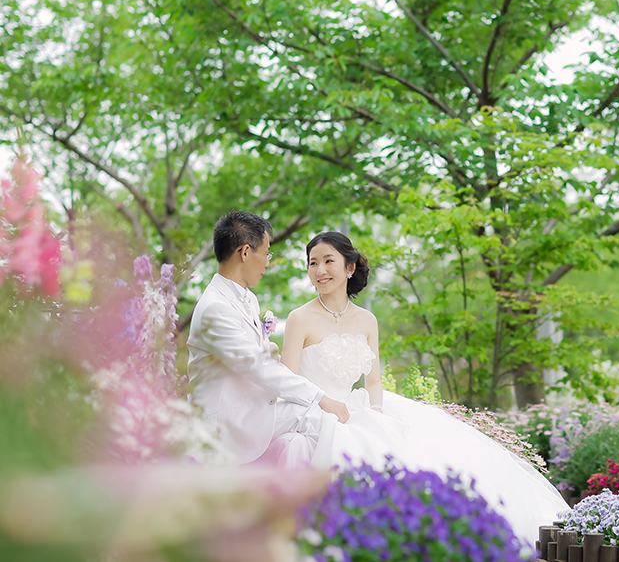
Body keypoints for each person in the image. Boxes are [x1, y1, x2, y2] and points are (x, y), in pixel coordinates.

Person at [281, 230, 568, 545]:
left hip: (359, 406)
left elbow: (373, 381)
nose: (320, 271)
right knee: (354, 448)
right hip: (317, 410)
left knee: (418, 450)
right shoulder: (299, 318)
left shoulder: (366, 320)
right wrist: (326, 405)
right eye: (312, 263)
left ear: (349, 268)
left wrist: (376, 413)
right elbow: (288, 379)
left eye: (328, 261)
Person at [187, 211, 371, 466]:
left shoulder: (247, 298)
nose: (268, 263)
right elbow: (257, 366)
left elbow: (263, 358)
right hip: (228, 421)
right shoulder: (215, 308)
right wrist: (321, 397)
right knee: (327, 420)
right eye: (266, 253)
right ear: (244, 252)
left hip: (256, 407)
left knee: (339, 422)